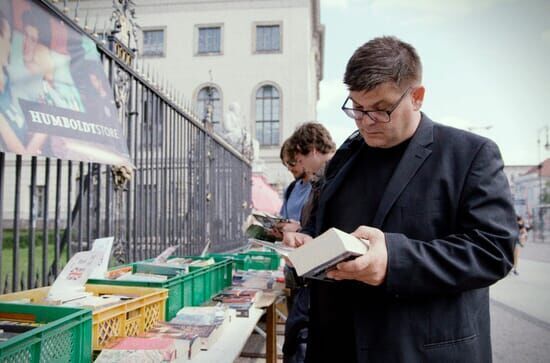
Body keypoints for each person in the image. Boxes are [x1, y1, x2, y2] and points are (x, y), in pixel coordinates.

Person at [284, 36, 517, 362]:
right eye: (357, 107)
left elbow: (494, 250)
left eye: (380, 110)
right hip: (337, 346)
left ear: (417, 97)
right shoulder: (344, 159)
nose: (365, 121)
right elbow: (322, 222)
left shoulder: (470, 155)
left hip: (416, 350)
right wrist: (307, 238)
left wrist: (394, 260)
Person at [282, 122, 336, 363]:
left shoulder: (334, 176)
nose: (301, 167)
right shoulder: (322, 179)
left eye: (300, 160)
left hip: (325, 282)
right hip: (313, 278)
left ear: (312, 149)